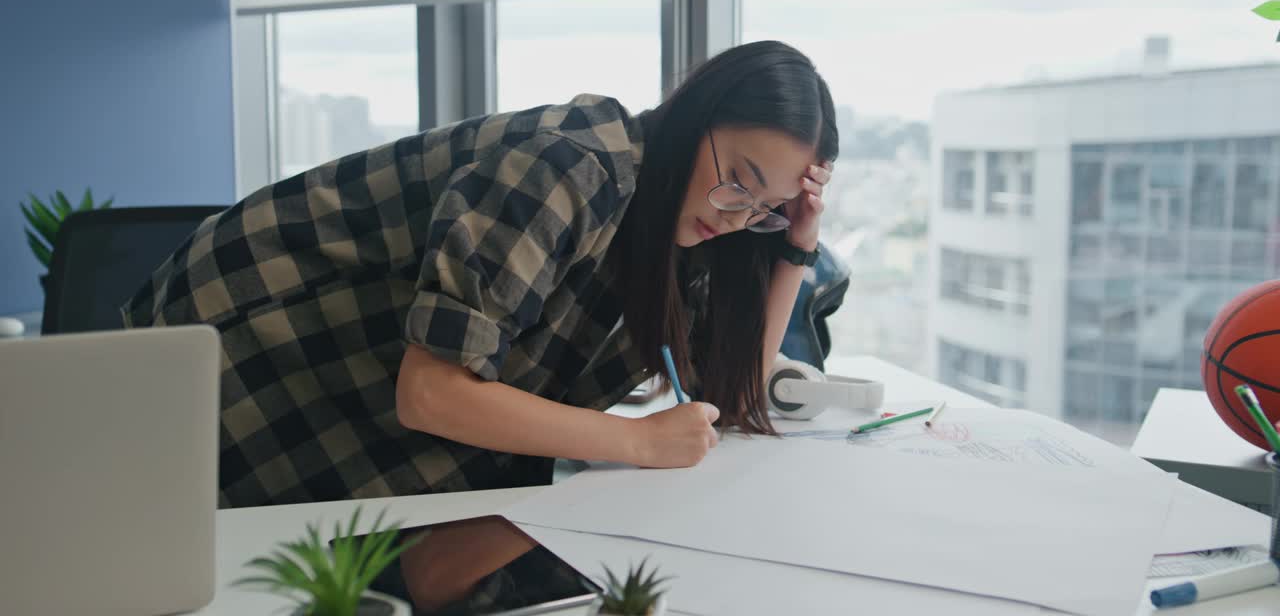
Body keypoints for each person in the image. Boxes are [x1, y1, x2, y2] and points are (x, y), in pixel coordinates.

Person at [123, 40, 838, 508]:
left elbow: (736, 389)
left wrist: (793, 247)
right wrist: (638, 441)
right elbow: (432, 392)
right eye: (737, 181)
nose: (739, 212)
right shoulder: (575, 165)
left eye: (765, 206)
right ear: (694, 118)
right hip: (237, 341)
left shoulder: (695, 227)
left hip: (352, 392)